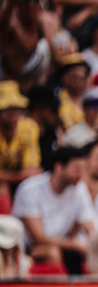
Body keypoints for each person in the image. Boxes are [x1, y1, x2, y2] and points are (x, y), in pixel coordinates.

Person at [12, 144, 94, 274]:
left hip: (64, 244)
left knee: (94, 249)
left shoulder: (80, 189)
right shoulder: (29, 190)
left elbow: (90, 227)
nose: (81, 175)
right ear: (58, 167)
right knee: (52, 252)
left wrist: (94, 244)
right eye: (77, 169)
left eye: (84, 170)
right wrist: (75, 244)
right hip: (28, 249)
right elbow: (38, 238)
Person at [0, 81, 42, 214]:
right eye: (6, 109)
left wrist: (6, 176)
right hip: (6, 184)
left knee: (34, 183)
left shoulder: (29, 128)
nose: (13, 114)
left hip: (19, 181)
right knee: (2, 187)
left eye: (16, 108)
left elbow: (32, 171)